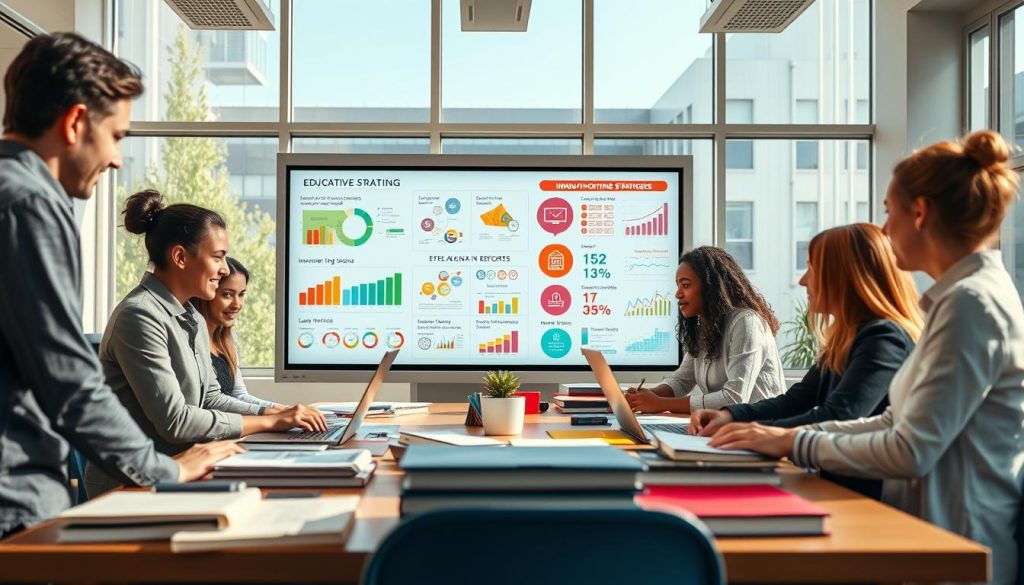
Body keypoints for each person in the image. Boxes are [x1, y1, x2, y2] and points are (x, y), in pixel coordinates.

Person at [708, 130, 1024, 585]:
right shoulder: (960, 299)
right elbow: (895, 422)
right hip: (936, 533)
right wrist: (771, 435)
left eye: (888, 212)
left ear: (920, 213)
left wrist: (790, 441)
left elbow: (910, 449)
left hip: (957, 546)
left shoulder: (972, 305)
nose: (885, 229)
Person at [0, 33, 242, 537]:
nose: (115, 160)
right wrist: (167, 470)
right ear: (74, 122)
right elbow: (67, 380)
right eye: (116, 137)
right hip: (15, 496)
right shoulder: (30, 204)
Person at [84, 190, 326, 496]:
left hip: (183, 470)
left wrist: (275, 414)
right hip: (131, 487)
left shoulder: (191, 315)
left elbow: (211, 398)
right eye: (218, 257)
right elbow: (177, 422)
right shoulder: (139, 317)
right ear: (181, 257)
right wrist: (269, 423)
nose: (224, 269)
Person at [689, 223, 923, 498]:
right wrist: (730, 415)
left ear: (844, 277)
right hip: (836, 484)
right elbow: (797, 399)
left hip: (863, 496)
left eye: (812, 268)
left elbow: (840, 415)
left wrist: (756, 434)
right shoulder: (847, 338)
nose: (803, 281)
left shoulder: (883, 338)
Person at [626, 246, 786, 415]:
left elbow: (734, 398)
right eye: (678, 286)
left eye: (686, 285)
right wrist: (646, 397)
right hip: (729, 429)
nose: (678, 294)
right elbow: (681, 381)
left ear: (711, 287)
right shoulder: (705, 327)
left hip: (763, 431)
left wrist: (661, 404)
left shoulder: (747, 322)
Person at [193, 256, 278, 408]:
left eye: (241, 294)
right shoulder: (191, 339)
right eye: (227, 294)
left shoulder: (228, 338)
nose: (237, 304)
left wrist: (286, 410)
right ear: (206, 294)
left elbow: (239, 396)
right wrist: (276, 415)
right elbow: (211, 402)